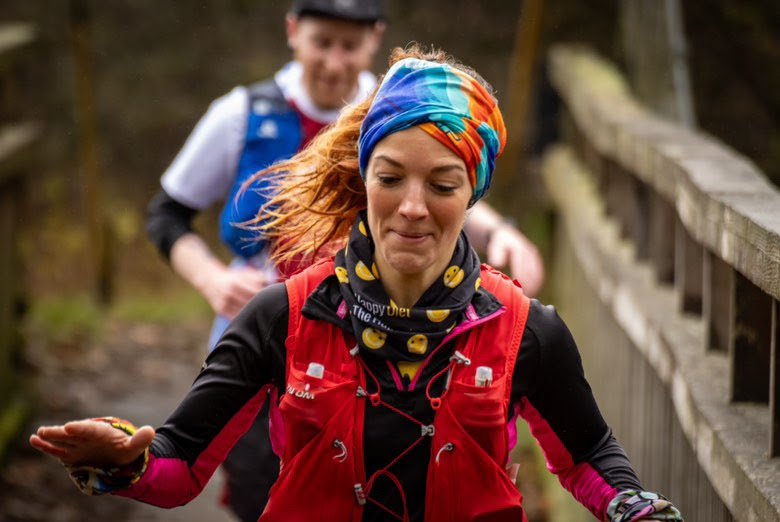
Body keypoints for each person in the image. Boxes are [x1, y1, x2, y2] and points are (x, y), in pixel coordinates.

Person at [31, 45, 682, 521]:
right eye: (391, 177)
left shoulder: (523, 330)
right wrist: (119, 460)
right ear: (363, 176)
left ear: (473, 192)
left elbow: (589, 452)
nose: (412, 206)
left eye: (443, 184)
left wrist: (634, 506)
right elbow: (178, 465)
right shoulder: (281, 317)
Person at [144, 1, 543, 519]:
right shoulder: (243, 114)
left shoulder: (400, 104)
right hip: (262, 346)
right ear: (292, 32)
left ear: (375, 39)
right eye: (321, 43)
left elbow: (444, 182)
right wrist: (212, 279)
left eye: (350, 47)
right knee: (260, 495)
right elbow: (167, 214)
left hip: (369, 355)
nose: (335, 63)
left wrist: (503, 234)